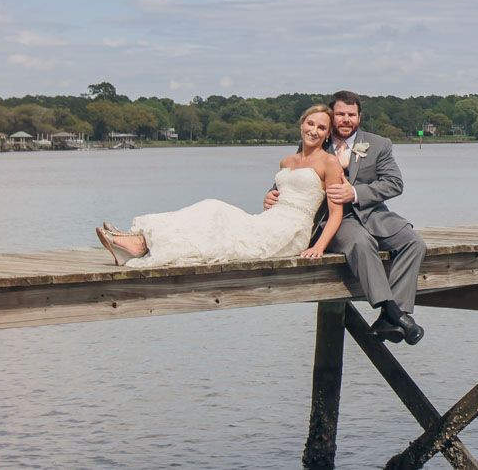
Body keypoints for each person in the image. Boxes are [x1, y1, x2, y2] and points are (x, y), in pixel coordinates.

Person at [266, 90, 425, 345]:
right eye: (340, 114)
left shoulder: (379, 144)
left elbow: (394, 184)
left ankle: (391, 316)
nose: (346, 119)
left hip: (373, 214)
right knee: (361, 244)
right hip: (334, 220)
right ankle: (396, 315)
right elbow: (293, 179)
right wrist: (270, 195)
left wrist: (355, 192)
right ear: (332, 115)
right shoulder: (317, 140)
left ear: (359, 117)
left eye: (351, 115)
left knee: (414, 243)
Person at [97, 105, 345, 268]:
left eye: (321, 128)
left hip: (291, 231)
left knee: (216, 216)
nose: (314, 131)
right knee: (212, 210)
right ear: (301, 124)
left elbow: (336, 213)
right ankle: (139, 239)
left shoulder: (329, 162)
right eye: (310, 124)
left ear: (327, 135)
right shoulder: (287, 161)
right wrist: (268, 199)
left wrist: (318, 247)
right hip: (268, 220)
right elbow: (283, 194)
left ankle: (139, 244)